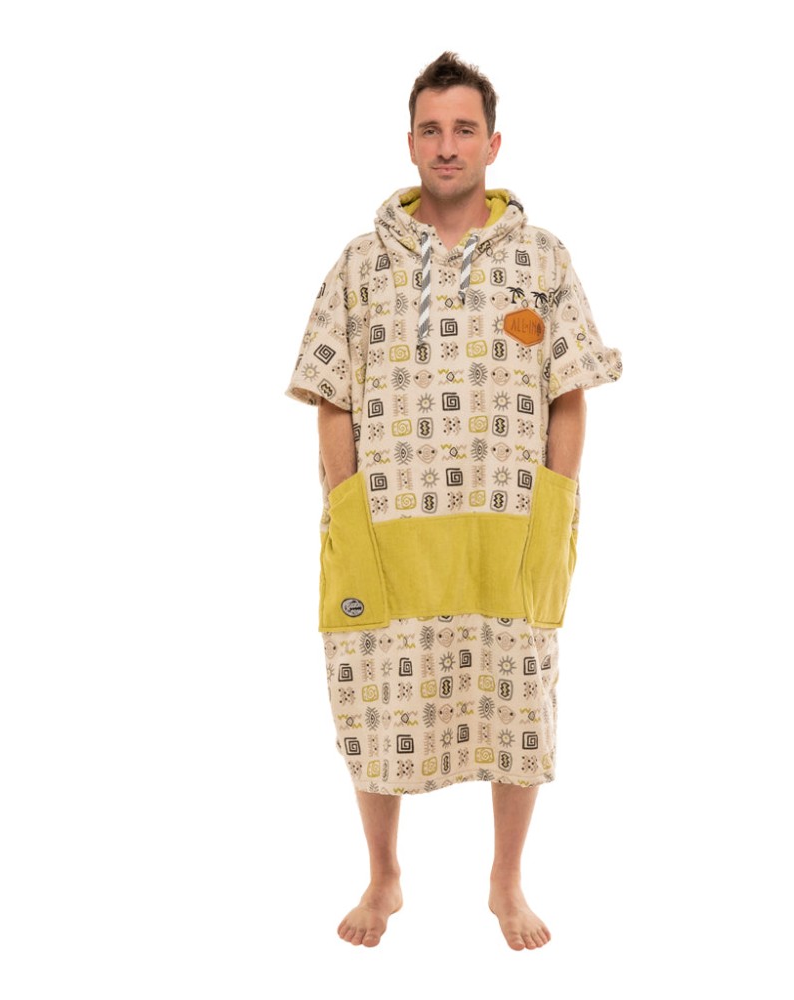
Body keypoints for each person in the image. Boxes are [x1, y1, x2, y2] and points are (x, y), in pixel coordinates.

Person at [286, 52, 622, 950]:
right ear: (409, 144)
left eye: (464, 129)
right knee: (371, 690)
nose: (447, 146)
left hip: (508, 530)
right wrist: (345, 505)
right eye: (431, 130)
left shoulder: (542, 259)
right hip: (386, 530)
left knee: (519, 699)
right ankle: (384, 875)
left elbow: (569, 392)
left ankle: (506, 881)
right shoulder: (361, 264)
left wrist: (556, 503)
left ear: (492, 143)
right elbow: (331, 395)